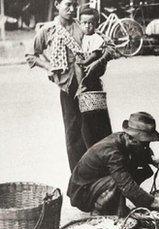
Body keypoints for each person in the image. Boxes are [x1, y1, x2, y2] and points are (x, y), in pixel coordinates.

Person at [26, 0, 116, 172]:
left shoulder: (83, 26)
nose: (72, 9)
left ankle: (104, 174)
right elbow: (31, 55)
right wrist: (49, 66)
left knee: (98, 131)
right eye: (68, 4)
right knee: (74, 135)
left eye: (75, 5)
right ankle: (79, 178)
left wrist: (98, 62)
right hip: (68, 88)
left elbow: (109, 47)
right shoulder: (48, 30)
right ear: (57, 4)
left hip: (90, 85)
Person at [67, 112, 159, 216]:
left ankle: (115, 204)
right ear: (131, 138)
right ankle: (100, 210)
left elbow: (143, 150)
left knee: (144, 171)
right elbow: (125, 184)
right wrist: (152, 202)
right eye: (144, 142)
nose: (146, 146)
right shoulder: (112, 152)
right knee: (121, 182)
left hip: (97, 182)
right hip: (83, 193)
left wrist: (153, 160)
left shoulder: (125, 138)